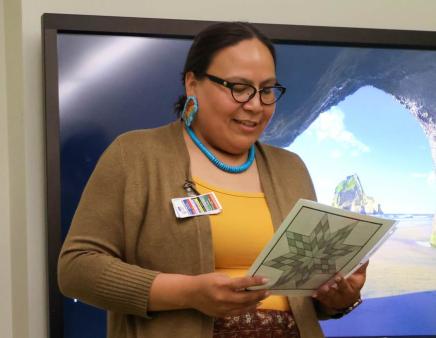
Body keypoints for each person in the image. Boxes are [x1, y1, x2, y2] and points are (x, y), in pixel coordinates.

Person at [58, 22, 368, 338]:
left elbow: (301, 301)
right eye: (238, 87)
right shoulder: (134, 155)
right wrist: (189, 292)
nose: (255, 104)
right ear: (193, 84)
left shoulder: (291, 168)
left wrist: (337, 300)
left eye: (267, 90)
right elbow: (76, 268)